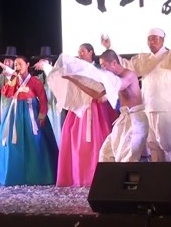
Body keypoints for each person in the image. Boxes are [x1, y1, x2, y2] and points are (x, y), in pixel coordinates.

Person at [102, 22, 171, 162]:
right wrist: (109, 48)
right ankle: (156, 174)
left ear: (162, 40)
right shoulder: (143, 59)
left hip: (166, 108)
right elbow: (122, 66)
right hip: (147, 107)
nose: (151, 42)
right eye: (149, 39)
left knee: (168, 147)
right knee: (153, 146)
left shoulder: (170, 56)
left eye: (155, 38)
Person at [44, 52, 119, 187]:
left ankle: (94, 176)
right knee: (76, 142)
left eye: (83, 51)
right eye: (78, 52)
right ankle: (76, 176)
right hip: (78, 110)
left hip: (95, 110)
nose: (80, 54)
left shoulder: (99, 71)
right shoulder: (75, 71)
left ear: (91, 52)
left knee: (95, 142)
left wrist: (76, 81)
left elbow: (99, 93)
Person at [0, 55, 58, 185]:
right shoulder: (14, 79)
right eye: (16, 65)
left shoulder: (35, 81)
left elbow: (43, 99)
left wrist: (42, 114)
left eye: (20, 64)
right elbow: (6, 93)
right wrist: (12, 80)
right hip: (14, 112)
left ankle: (36, 175)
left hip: (31, 112)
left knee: (36, 141)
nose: (17, 66)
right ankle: (12, 174)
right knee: (11, 142)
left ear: (27, 65)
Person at [98, 49, 148, 162]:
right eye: (101, 66)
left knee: (127, 158)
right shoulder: (113, 79)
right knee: (105, 153)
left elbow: (119, 85)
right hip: (123, 118)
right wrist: (75, 79)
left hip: (135, 119)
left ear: (114, 63)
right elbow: (98, 95)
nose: (103, 69)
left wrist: (102, 79)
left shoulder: (128, 75)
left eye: (104, 65)